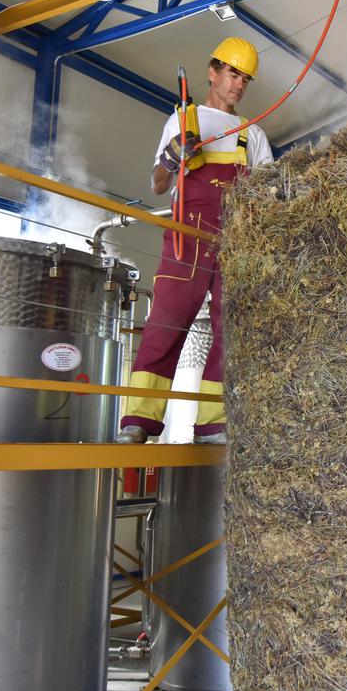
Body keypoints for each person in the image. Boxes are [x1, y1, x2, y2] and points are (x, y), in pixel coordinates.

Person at [115, 38, 273, 445]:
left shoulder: (252, 135)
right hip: (189, 235)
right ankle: (139, 420)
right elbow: (156, 185)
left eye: (246, 79)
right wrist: (172, 155)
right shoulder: (184, 121)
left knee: (229, 329)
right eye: (233, 73)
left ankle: (213, 424)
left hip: (237, 239)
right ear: (212, 71)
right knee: (166, 320)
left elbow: (267, 195)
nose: (239, 85)